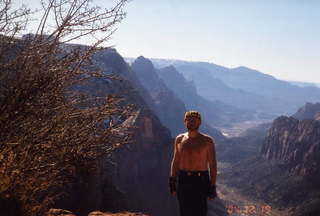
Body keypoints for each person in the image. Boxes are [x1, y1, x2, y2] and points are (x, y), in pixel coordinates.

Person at [169, 111, 217, 216]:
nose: (191, 122)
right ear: (184, 122)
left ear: (200, 122)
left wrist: (212, 186)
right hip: (183, 179)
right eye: (189, 120)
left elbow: (212, 165)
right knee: (184, 211)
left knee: (200, 212)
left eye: (194, 120)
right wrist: (172, 180)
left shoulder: (207, 141)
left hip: (200, 180)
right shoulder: (179, 139)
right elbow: (176, 160)